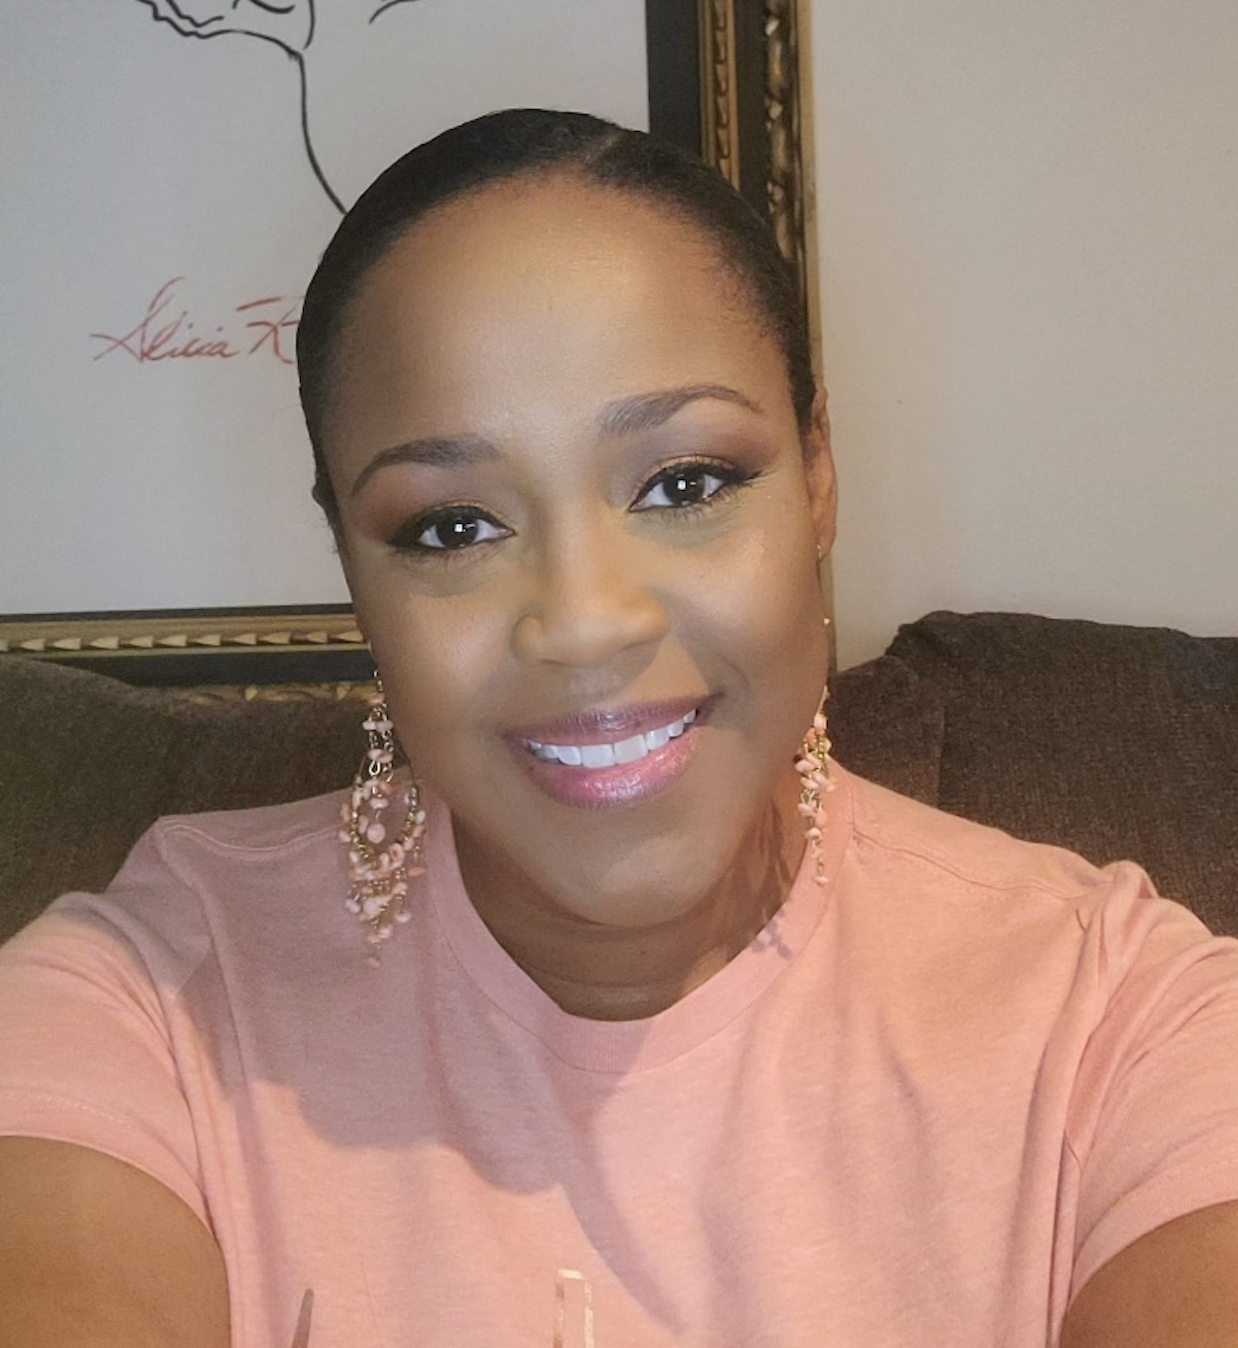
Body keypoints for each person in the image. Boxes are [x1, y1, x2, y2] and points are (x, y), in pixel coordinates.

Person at [1, 108, 1238, 1348]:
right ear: (352, 568)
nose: (585, 623)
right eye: (451, 527)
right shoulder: (147, 1004)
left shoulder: (1120, 1024)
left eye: (683, 483)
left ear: (817, 474)